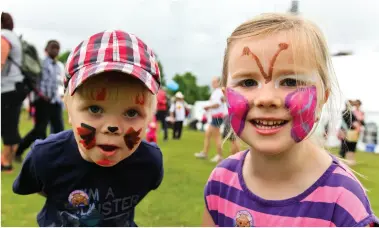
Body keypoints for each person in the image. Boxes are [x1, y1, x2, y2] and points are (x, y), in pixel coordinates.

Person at [202, 13, 378, 227]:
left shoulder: (343, 202)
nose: (266, 99)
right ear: (225, 94)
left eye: (290, 81)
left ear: (323, 98)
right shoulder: (220, 182)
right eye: (248, 82)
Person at [13, 30, 164, 227]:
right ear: (68, 107)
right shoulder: (45, 157)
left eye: (131, 113)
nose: (112, 127)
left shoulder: (149, 163)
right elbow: (37, 187)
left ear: (150, 116)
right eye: (94, 108)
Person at [14, 40, 65, 162]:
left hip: (55, 102)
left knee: (59, 130)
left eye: (57, 48)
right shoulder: (40, 63)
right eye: (52, 48)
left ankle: (55, 156)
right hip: (42, 101)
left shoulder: (59, 66)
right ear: (46, 50)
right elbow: (32, 81)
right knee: (39, 130)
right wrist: (40, 94)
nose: (55, 51)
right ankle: (18, 151)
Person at [1, 12, 25, 172]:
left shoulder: (3, 36)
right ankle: (11, 156)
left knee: (7, 126)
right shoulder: (14, 36)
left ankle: (6, 162)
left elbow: (1, 61)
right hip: (17, 87)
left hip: (8, 88)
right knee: (11, 124)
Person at [195, 77, 225, 163]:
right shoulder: (217, 92)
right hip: (216, 116)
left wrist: (208, 107)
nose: (212, 83)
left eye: (214, 82)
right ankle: (205, 152)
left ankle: (219, 156)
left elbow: (217, 104)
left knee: (217, 136)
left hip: (217, 116)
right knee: (208, 134)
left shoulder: (218, 92)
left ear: (218, 83)